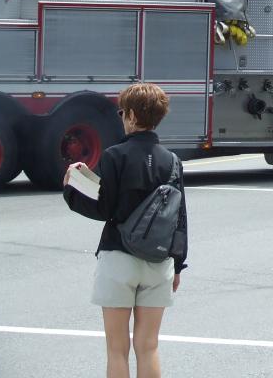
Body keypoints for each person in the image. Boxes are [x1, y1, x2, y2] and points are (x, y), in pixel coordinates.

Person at [63, 83, 188, 378]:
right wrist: (177, 265)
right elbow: (179, 217)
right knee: (149, 347)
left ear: (131, 115)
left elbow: (103, 208)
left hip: (119, 258)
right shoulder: (172, 161)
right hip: (159, 261)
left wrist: (72, 187)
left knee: (117, 349)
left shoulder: (114, 156)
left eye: (122, 112)